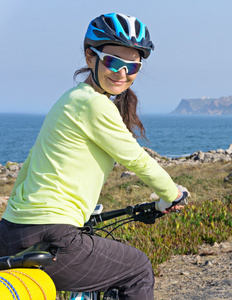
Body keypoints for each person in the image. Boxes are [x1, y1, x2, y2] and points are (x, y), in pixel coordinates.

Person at [0, 13, 186, 299]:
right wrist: (172, 194)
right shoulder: (94, 104)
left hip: (13, 231)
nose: (122, 73)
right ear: (90, 57)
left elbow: (29, 164)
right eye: (113, 61)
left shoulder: (69, 99)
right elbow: (136, 160)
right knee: (137, 269)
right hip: (52, 234)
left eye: (132, 65)